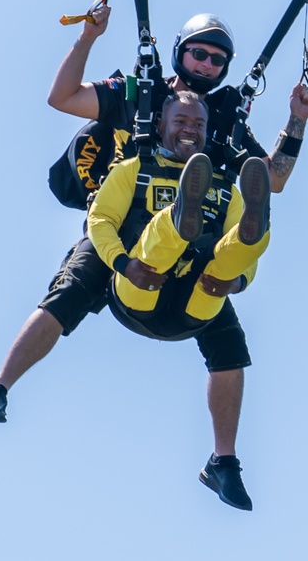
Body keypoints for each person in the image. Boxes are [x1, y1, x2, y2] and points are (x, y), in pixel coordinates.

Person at [0, 6, 308, 502]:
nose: (208, 65)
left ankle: (224, 462)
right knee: (69, 293)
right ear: (180, 51)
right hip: (121, 220)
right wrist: (87, 38)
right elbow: (61, 97)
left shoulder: (222, 120)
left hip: (191, 241)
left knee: (227, 336)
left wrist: (296, 121)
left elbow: (270, 180)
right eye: (200, 53)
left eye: (219, 60)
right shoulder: (135, 93)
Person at [85, 89, 272, 509]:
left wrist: (237, 283)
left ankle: (254, 229)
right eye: (181, 123)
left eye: (199, 125)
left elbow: (243, 273)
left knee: (226, 265)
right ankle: (179, 219)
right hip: (139, 293)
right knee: (156, 250)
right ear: (161, 126)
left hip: (192, 307)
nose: (191, 130)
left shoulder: (227, 190)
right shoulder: (134, 169)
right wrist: (120, 264)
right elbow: (99, 220)